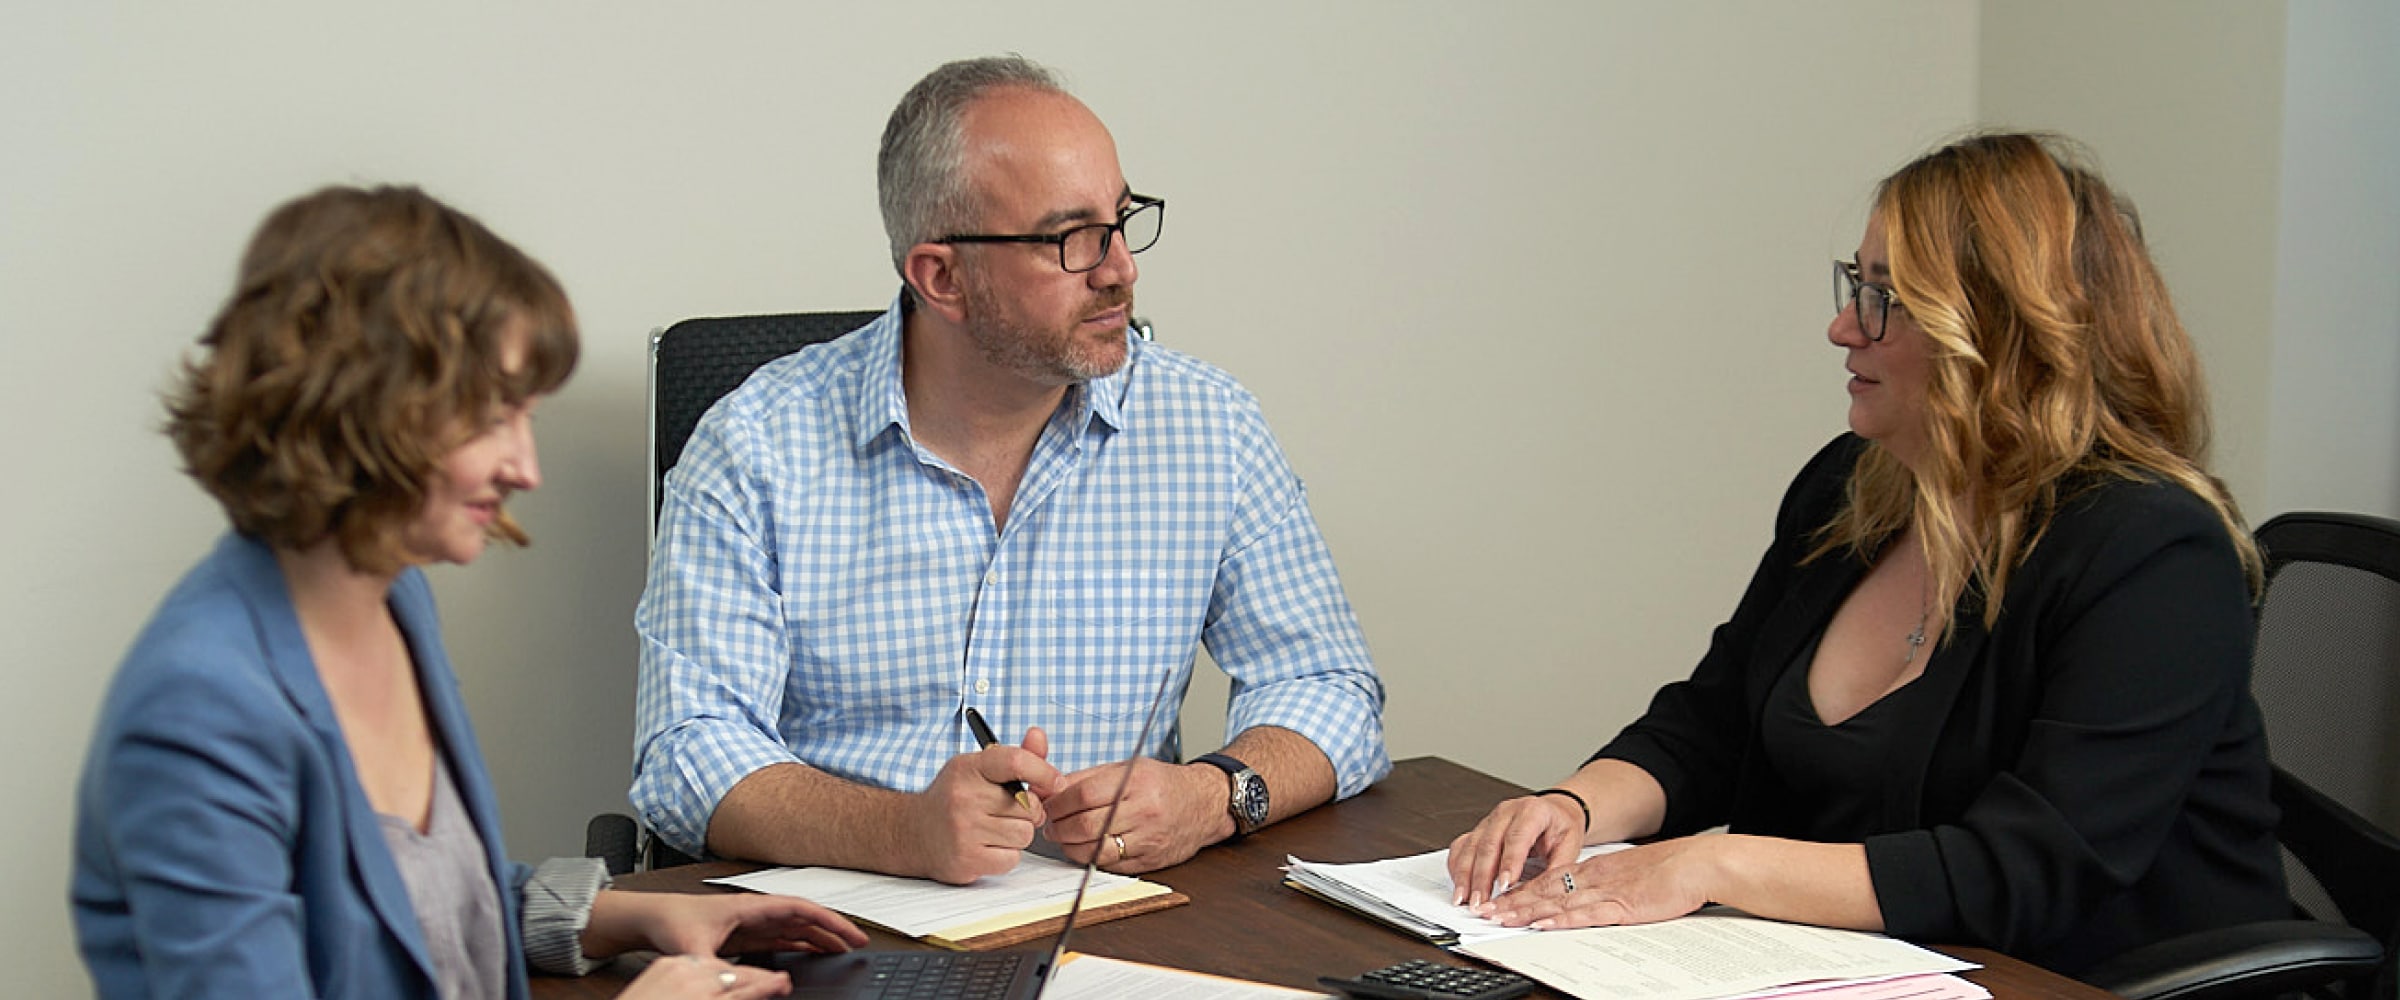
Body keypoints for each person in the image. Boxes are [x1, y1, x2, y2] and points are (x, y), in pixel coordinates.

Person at [1444, 132, 2287, 976]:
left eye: (1886, 298)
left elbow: (2029, 868)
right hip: (1851, 969)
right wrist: (1575, 807)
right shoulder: (1853, 488)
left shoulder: (2156, 553)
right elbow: (1717, 718)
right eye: (1857, 284)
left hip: (2079, 981)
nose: (1843, 327)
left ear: (1999, 332)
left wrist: (1710, 863)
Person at [72, 185, 868, 999]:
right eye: (492, 417)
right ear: (363, 405)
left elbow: (415, 903)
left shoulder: (392, 600)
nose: (526, 468)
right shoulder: (198, 713)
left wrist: (619, 914)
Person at [631, 55, 1389, 883]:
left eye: (1122, 220)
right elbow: (685, 751)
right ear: (942, 277)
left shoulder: (1209, 426)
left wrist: (1212, 796)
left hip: (1109, 928)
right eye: (1072, 239)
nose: (1120, 269)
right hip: (844, 928)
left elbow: (1329, 687)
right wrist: (901, 831)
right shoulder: (756, 444)